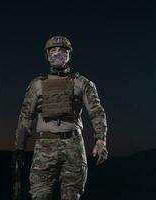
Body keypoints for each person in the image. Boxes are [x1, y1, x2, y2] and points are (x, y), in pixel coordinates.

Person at [13, 35, 108, 200]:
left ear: (69, 54)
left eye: (61, 50)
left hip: (73, 147)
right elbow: (25, 117)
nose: (56, 53)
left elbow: (96, 111)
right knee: (39, 195)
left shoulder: (81, 83)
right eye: (53, 50)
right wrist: (19, 148)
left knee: (72, 196)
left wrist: (100, 140)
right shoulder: (37, 84)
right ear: (47, 54)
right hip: (44, 147)